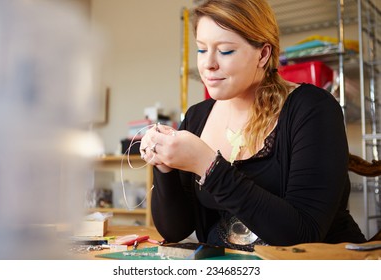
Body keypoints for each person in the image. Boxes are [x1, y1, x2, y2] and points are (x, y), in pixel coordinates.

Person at [140, 0, 366, 251]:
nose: (208, 64)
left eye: (225, 51)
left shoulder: (312, 108)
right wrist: (164, 169)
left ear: (263, 54)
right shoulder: (196, 117)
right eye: (202, 49)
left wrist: (208, 166)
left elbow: (304, 233)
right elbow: (175, 230)